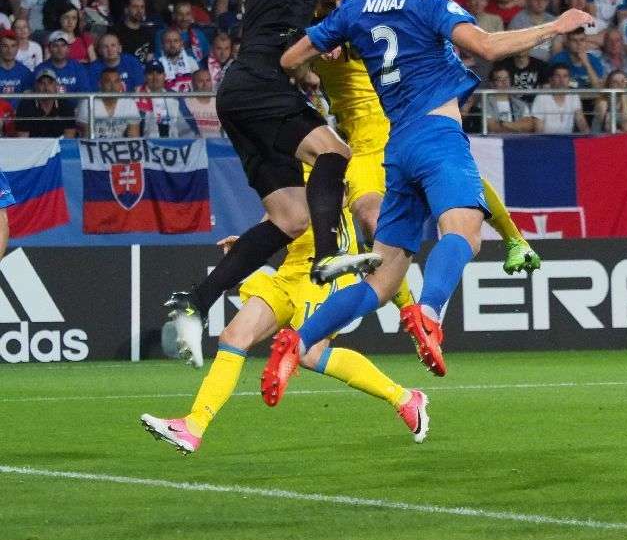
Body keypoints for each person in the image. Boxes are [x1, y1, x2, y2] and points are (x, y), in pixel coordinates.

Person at [263, 0, 592, 394]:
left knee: (380, 280)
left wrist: (327, 48)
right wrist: (557, 25)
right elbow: (487, 46)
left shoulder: (352, 14)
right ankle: (430, 312)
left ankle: (296, 341)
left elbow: (290, 59)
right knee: (465, 233)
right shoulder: (428, 4)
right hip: (438, 136)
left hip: (396, 150)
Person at [161, 0, 405, 337]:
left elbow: (289, 16)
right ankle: (329, 255)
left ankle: (196, 301)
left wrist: (313, 44)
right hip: (261, 82)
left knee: (289, 216)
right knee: (334, 154)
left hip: (243, 89)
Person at [142, 190, 430, 453]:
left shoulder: (327, 152)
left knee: (310, 354)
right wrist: (247, 245)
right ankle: (194, 425)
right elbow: (278, 217)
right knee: (233, 336)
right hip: (289, 272)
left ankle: (404, 398)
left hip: (324, 271)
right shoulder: (286, 163)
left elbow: (339, 198)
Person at [531, 65, 589, 134]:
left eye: (565, 76)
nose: (562, 80)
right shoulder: (541, 97)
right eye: (558, 76)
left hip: (567, 140)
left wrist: (589, 139)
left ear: (569, 80)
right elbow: (538, 130)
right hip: (547, 140)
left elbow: (581, 121)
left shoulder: (574, 95)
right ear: (551, 79)